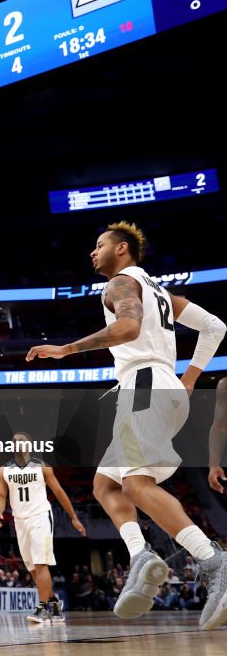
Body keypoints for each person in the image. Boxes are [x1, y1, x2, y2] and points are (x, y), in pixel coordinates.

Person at [27, 221, 227, 630]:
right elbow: (215, 327)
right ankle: (140, 555)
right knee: (105, 484)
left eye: (99, 245)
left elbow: (129, 327)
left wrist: (67, 349)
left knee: (136, 485)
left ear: (122, 250)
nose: (92, 252)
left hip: (145, 386)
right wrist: (188, 378)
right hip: (157, 387)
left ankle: (213, 562)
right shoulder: (161, 293)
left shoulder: (119, 283)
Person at [0, 432, 86, 622]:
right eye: (15, 441)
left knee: (40, 562)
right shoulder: (4, 470)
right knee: (32, 568)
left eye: (23, 440)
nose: (18, 443)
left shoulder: (42, 467)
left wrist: (73, 517)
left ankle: (42, 607)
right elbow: (1, 495)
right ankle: (53, 603)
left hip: (40, 516)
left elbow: (59, 492)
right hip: (20, 519)